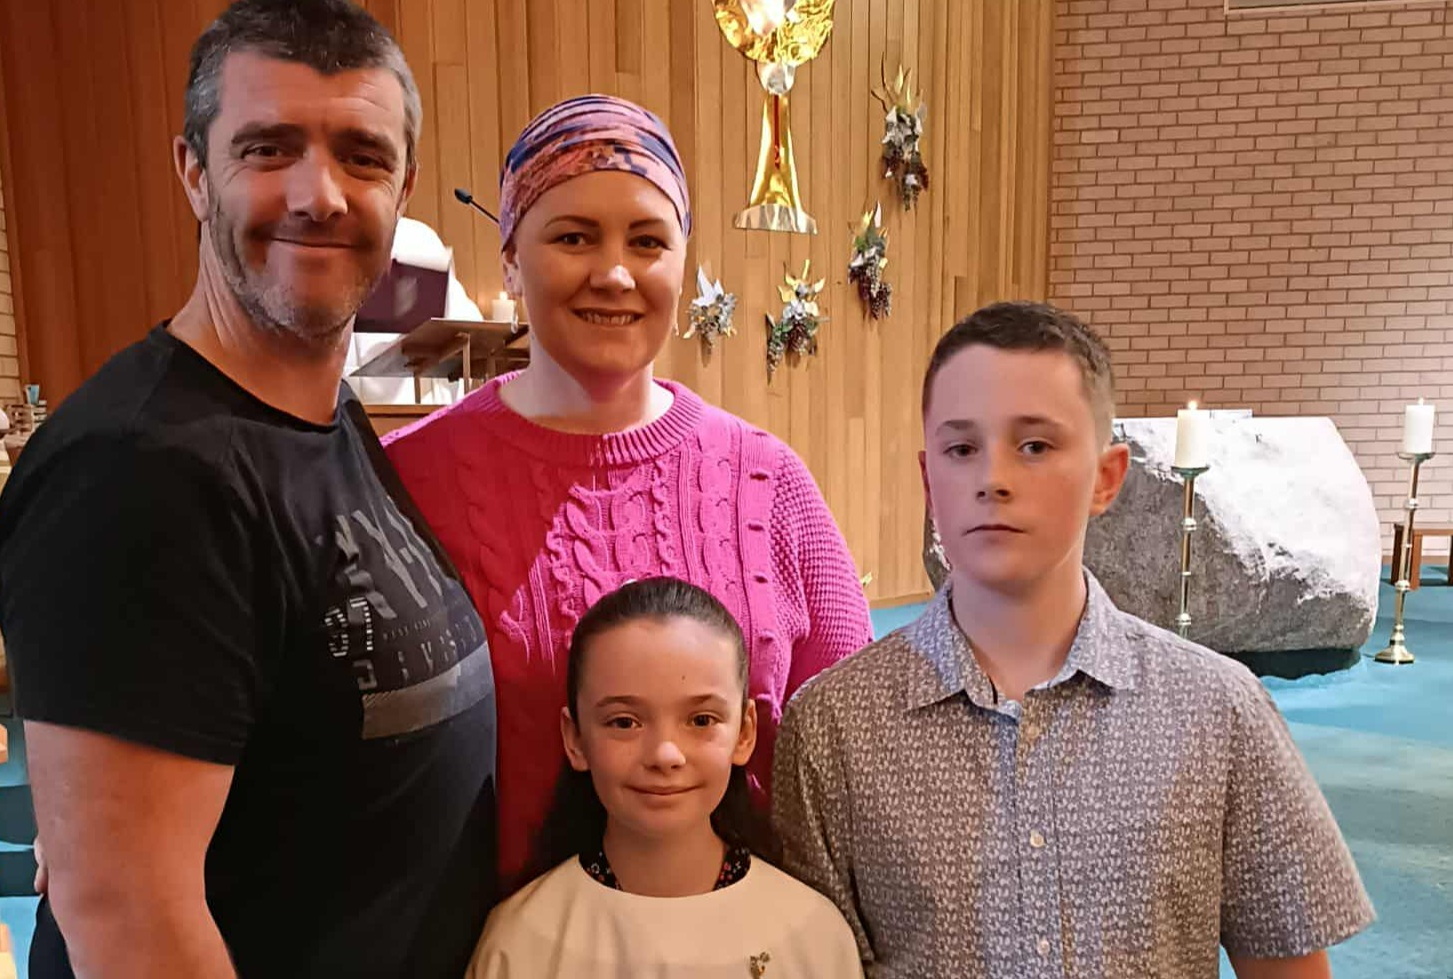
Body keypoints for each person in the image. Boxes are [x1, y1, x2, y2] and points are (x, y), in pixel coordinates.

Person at [0, 2, 496, 977]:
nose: (320, 195)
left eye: (362, 156)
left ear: (404, 189)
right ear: (194, 170)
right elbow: (126, 918)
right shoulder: (138, 470)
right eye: (268, 149)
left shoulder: (318, 413)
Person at [773, 301, 1374, 978]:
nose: (992, 480)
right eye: (961, 449)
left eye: (1034, 446)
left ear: (1106, 477)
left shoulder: (1219, 710)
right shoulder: (834, 726)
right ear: (928, 479)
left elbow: (1287, 965)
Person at [383, 94, 872, 884]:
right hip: (500, 939)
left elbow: (853, 755)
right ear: (509, 258)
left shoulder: (770, 484)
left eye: (647, 240)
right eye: (573, 236)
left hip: (741, 932)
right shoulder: (406, 479)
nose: (613, 274)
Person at [467, 577, 862, 977]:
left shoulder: (814, 936)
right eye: (624, 722)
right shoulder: (521, 944)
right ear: (576, 739)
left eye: (701, 720)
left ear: (744, 733)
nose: (665, 755)